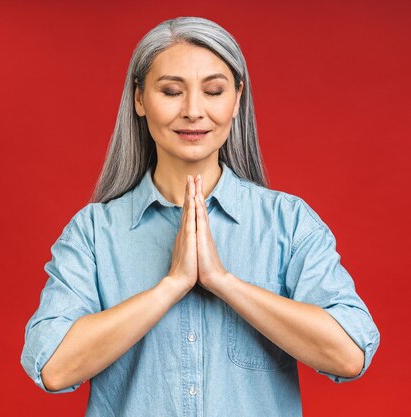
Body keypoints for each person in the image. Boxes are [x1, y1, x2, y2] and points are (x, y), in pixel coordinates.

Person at [20, 16, 380, 416]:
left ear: (237, 99)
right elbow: (52, 365)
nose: (193, 111)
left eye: (213, 91)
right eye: (172, 91)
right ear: (139, 98)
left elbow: (350, 354)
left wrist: (222, 282)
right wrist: (171, 285)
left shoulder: (289, 224)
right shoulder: (92, 233)